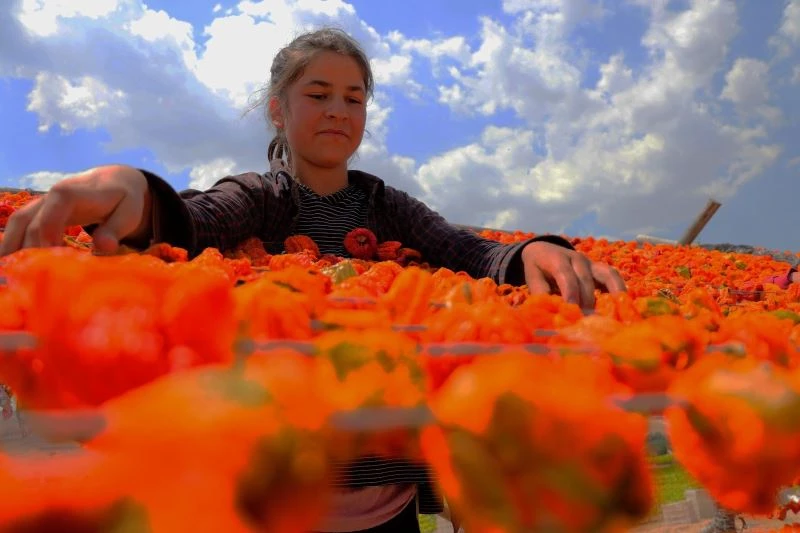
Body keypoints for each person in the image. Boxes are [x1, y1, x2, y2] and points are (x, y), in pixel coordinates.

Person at [0, 27, 626, 533]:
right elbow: (193, 222)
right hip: (274, 494)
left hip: (389, 495)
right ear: (278, 110)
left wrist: (534, 251)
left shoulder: (388, 207)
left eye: (354, 98)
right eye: (318, 94)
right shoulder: (262, 197)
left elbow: (467, 252)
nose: (337, 110)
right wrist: (140, 195)